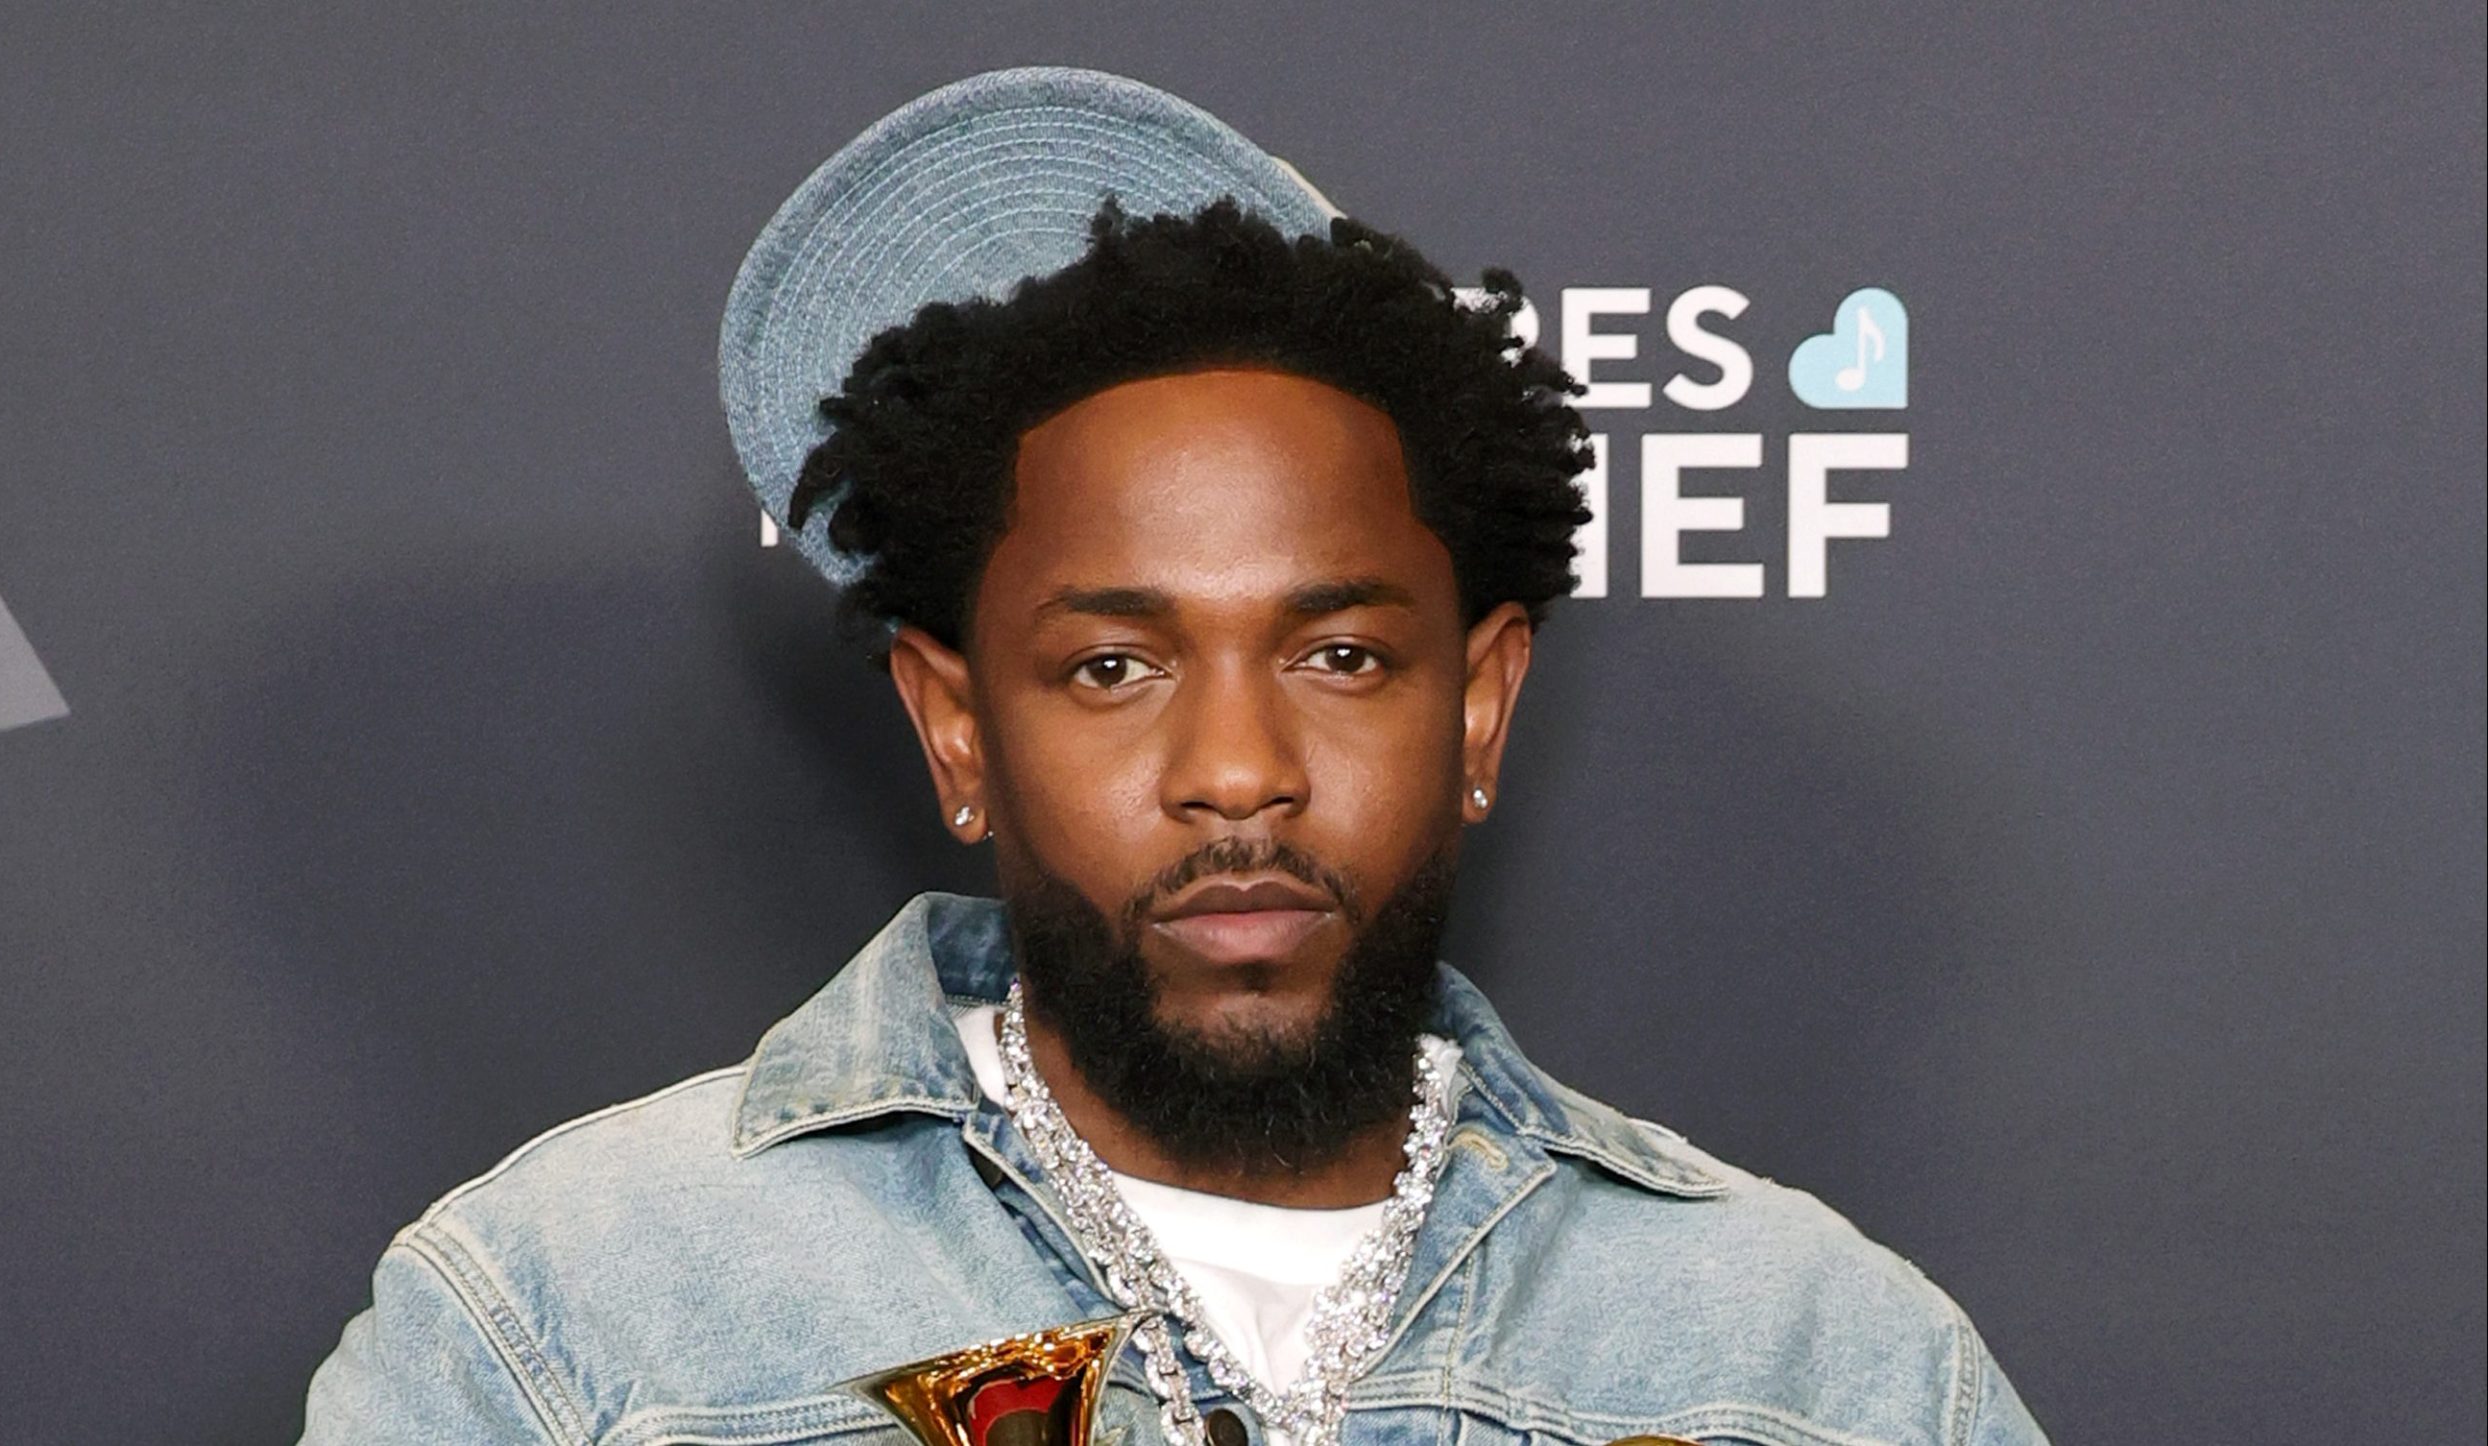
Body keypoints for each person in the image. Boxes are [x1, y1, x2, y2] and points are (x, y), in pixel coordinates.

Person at [300, 67, 2046, 1446]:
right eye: (1114, 666)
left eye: (1341, 656)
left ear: (1480, 708)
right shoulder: (568, 1323)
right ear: (958, 728)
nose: (1238, 770)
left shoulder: (1827, 1365)